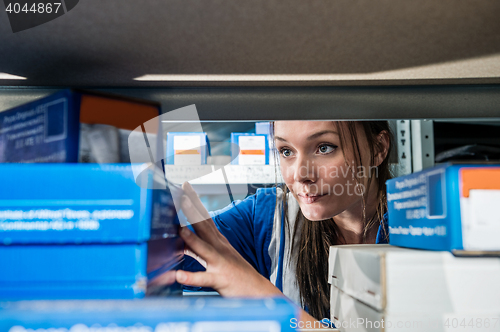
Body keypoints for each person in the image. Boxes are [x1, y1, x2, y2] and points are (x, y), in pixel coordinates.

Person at [165, 120, 392, 326]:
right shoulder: (266, 216)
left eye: (324, 147)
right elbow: (156, 259)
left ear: (378, 148)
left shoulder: (419, 228)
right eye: (286, 151)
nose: (300, 174)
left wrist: (260, 294)